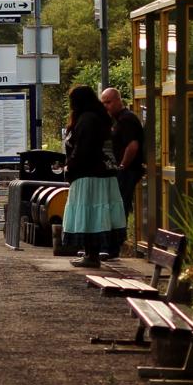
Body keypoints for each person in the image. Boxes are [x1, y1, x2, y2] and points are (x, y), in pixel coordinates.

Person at [59, 85, 126, 269]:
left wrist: (69, 168)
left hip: (88, 175)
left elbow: (83, 149)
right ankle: (91, 254)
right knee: (96, 214)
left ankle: (92, 255)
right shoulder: (99, 117)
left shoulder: (86, 119)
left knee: (88, 213)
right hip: (102, 174)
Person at [101, 86, 146, 228]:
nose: (105, 106)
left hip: (128, 170)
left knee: (121, 204)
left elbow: (132, 145)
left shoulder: (126, 119)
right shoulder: (118, 119)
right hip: (126, 170)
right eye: (103, 103)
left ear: (118, 100)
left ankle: (119, 234)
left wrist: (122, 166)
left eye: (108, 102)